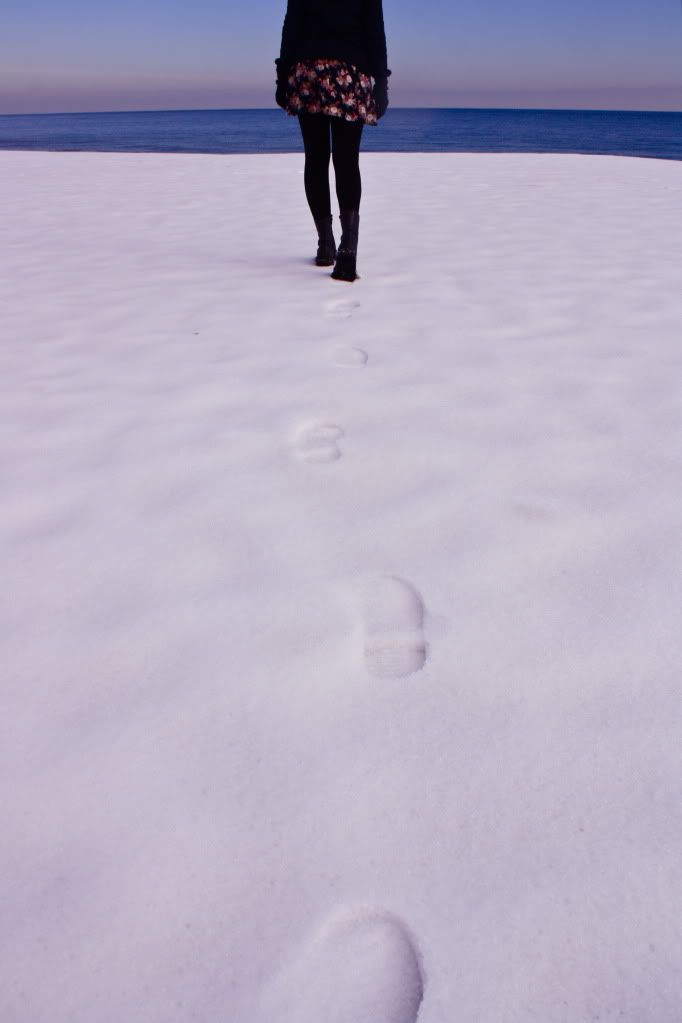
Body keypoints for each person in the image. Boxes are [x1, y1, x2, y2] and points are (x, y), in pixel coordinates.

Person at [275, 0, 391, 282]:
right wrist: (381, 86)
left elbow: (291, 29)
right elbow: (375, 32)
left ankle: (325, 245)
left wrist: (282, 77)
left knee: (315, 158)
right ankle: (348, 251)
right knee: (347, 159)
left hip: (310, 72)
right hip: (350, 73)